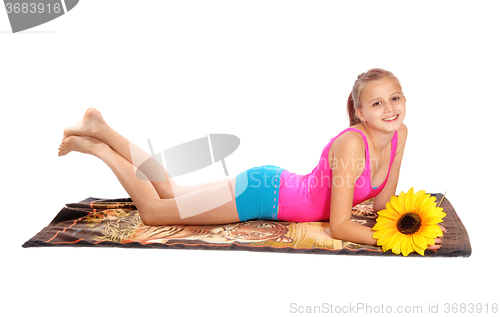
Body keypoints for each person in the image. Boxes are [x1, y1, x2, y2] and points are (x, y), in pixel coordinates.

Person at [58, 68, 445, 250]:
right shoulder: (351, 145)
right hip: (261, 195)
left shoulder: (400, 135)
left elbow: (381, 204)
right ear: (360, 113)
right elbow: (341, 226)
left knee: (173, 191)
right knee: (155, 213)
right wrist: (392, 240)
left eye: (396, 97)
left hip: (271, 184)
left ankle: (100, 126)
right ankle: (97, 147)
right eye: (377, 102)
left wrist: (405, 224)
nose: (390, 109)